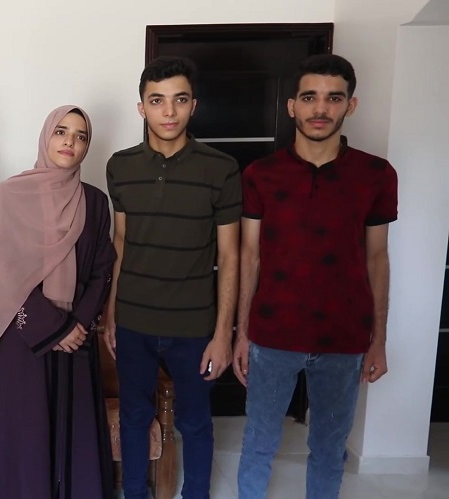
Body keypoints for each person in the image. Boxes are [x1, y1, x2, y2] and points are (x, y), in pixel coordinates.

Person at [233, 54, 398, 499]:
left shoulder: (376, 175)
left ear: (350, 105)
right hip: (272, 334)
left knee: (328, 449)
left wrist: (378, 340)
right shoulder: (261, 175)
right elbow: (250, 255)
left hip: (344, 337)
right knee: (259, 443)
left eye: (333, 98)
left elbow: (377, 258)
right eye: (309, 97)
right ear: (292, 106)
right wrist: (241, 333)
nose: (320, 108)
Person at [103, 56, 242, 499]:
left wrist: (223, 334)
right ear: (141, 107)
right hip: (133, 321)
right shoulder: (120, 166)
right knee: (134, 417)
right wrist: (111, 314)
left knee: (195, 421)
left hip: (194, 326)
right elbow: (121, 242)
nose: (169, 112)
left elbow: (230, 254)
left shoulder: (220, 168)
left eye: (179, 100)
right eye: (157, 100)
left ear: (193, 105)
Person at [0, 105, 116, 499]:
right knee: (27, 435)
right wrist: (54, 327)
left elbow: (102, 268)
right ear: (46, 136)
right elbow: (4, 270)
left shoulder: (95, 201)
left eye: (80, 136)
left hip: (78, 335)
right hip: (22, 337)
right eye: (61, 132)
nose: (70, 142)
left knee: (75, 432)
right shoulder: (11, 194)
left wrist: (78, 324)